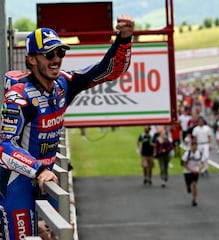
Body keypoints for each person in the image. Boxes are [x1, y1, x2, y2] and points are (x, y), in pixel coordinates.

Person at [0, 15, 134, 240]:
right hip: (16, 184)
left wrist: (124, 39)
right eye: (49, 54)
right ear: (31, 59)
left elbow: (109, 70)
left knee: (58, 233)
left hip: (46, 181)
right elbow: (4, 147)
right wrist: (38, 170)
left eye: (60, 53)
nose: (56, 59)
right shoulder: (19, 97)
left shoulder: (64, 84)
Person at [182, 141, 205, 207]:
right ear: (191, 146)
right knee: (188, 185)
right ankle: (188, 187)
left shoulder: (199, 154)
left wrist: (199, 170)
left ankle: (194, 200)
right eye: (193, 146)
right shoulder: (187, 154)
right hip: (187, 171)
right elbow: (184, 164)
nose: (194, 147)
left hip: (195, 171)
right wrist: (192, 170)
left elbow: (202, 163)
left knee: (194, 185)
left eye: (196, 146)